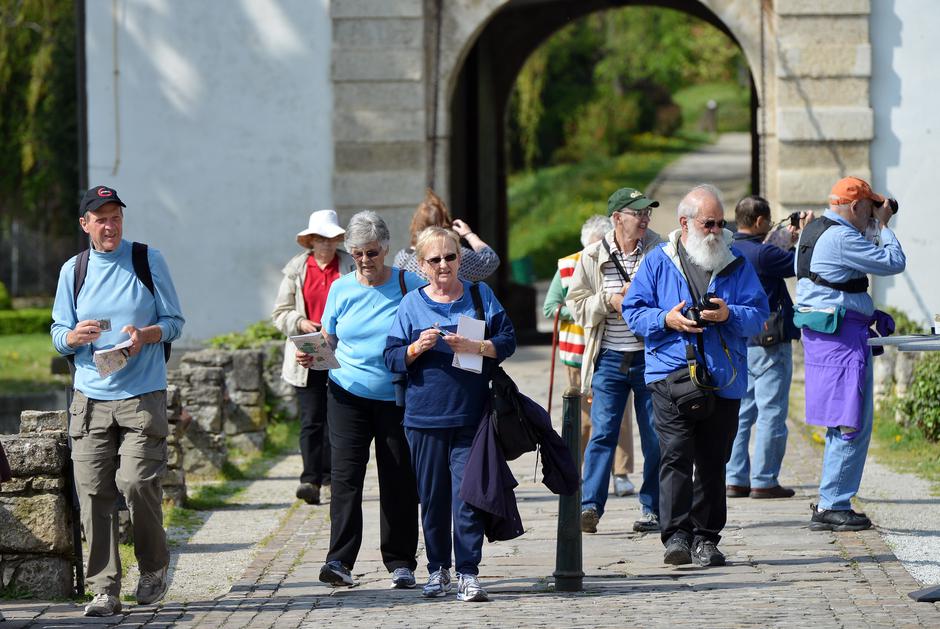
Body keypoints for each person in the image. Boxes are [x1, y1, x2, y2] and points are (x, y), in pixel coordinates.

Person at [51, 185, 185, 616]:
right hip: (90, 399)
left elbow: (175, 322)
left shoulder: (148, 260)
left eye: (116, 217)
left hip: (142, 396)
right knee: (91, 493)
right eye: (101, 219)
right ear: (85, 225)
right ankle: (104, 589)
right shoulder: (73, 270)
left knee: (136, 482)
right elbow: (57, 333)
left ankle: (153, 568)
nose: (110, 226)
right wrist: (72, 338)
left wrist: (148, 335)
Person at [623, 184, 768, 567]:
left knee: (712, 460)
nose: (717, 230)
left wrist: (728, 315)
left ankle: (706, 538)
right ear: (685, 223)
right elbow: (633, 312)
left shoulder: (736, 262)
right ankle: (676, 537)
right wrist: (666, 318)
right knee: (675, 455)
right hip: (671, 375)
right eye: (709, 223)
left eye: (721, 223)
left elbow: (759, 314)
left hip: (724, 376)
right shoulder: (657, 262)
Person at [385, 226, 516, 602]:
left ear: (461, 259)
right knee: (432, 498)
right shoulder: (411, 304)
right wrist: (415, 348)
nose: (444, 264)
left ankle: (468, 573)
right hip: (423, 418)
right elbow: (391, 357)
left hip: (471, 417)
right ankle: (438, 569)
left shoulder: (479, 295)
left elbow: (508, 340)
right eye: (435, 259)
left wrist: (477, 345)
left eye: (450, 256)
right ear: (422, 265)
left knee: (468, 497)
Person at [296, 211, 422, 589]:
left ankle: (401, 562)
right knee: (345, 479)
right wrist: (312, 352)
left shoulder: (408, 285)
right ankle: (339, 560)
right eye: (357, 254)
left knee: (397, 478)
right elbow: (330, 338)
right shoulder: (341, 288)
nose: (365, 261)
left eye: (371, 253)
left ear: (385, 249)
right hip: (346, 394)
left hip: (395, 395)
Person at [793, 176, 906, 532]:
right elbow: (893, 262)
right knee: (850, 423)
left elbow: (834, 286)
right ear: (856, 207)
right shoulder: (842, 236)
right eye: (869, 207)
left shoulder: (814, 231)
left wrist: (869, 313)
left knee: (839, 421)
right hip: (840, 340)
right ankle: (833, 504)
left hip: (829, 335)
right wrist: (884, 225)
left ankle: (832, 499)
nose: (872, 214)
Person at [566, 188, 664, 535]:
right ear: (617, 218)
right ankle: (589, 505)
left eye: (647, 213)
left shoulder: (661, 250)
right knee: (603, 433)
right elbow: (575, 304)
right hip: (608, 358)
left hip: (651, 358)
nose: (645, 219)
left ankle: (652, 508)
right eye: (638, 213)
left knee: (655, 436)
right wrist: (608, 300)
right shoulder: (592, 255)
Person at [542, 215, 636, 496]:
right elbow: (551, 308)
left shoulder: (622, 262)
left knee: (619, 417)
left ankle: (621, 474)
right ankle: (577, 471)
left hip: (613, 350)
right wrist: (586, 310)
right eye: (593, 247)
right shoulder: (568, 266)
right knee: (583, 419)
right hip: (578, 354)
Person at [725, 196, 813, 499]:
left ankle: (735, 477)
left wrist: (781, 239)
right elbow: (802, 265)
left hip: (738, 340)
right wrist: (804, 235)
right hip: (769, 342)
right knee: (772, 411)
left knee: (742, 412)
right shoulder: (764, 254)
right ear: (760, 221)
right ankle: (764, 479)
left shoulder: (728, 249)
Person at [272, 209, 355, 506]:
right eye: (321, 238)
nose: (326, 244)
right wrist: (300, 321)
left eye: (331, 238)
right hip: (306, 348)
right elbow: (279, 313)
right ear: (311, 240)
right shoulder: (296, 269)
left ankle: (332, 477)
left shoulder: (349, 265)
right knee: (311, 419)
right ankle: (310, 480)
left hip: (341, 349)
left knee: (337, 418)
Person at [394, 189, 499, 281]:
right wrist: (469, 234)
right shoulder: (454, 256)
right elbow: (490, 260)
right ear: (444, 225)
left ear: (415, 224)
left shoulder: (402, 258)